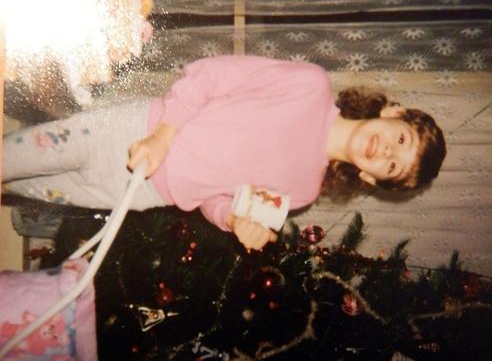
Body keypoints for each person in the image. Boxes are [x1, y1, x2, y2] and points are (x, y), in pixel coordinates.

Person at [2, 55, 446, 251]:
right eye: (400, 139)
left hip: (139, 193)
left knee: (20, 188)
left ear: (371, 178)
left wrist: (235, 222)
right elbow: (210, 75)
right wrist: (163, 137)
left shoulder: (303, 193)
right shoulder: (311, 84)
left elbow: (215, 201)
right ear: (393, 112)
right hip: (133, 133)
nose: (386, 151)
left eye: (391, 166)